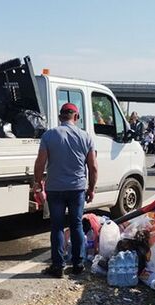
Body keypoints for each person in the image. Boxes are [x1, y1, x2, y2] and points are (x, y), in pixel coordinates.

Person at [34, 103, 98, 277]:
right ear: (76, 117)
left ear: (61, 117)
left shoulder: (49, 135)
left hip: (55, 188)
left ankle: (57, 266)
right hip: (77, 188)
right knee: (76, 225)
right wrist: (91, 189)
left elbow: (40, 163)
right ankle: (78, 264)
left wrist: (37, 183)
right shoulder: (86, 137)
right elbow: (93, 167)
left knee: (57, 227)